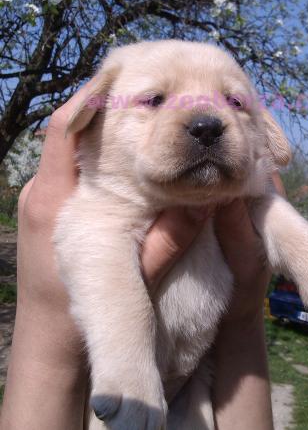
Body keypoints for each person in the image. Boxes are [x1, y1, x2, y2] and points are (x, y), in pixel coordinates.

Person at [1, 79, 278, 430]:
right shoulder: (104, 192)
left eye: (233, 102)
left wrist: (244, 318)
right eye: (154, 100)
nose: (205, 122)